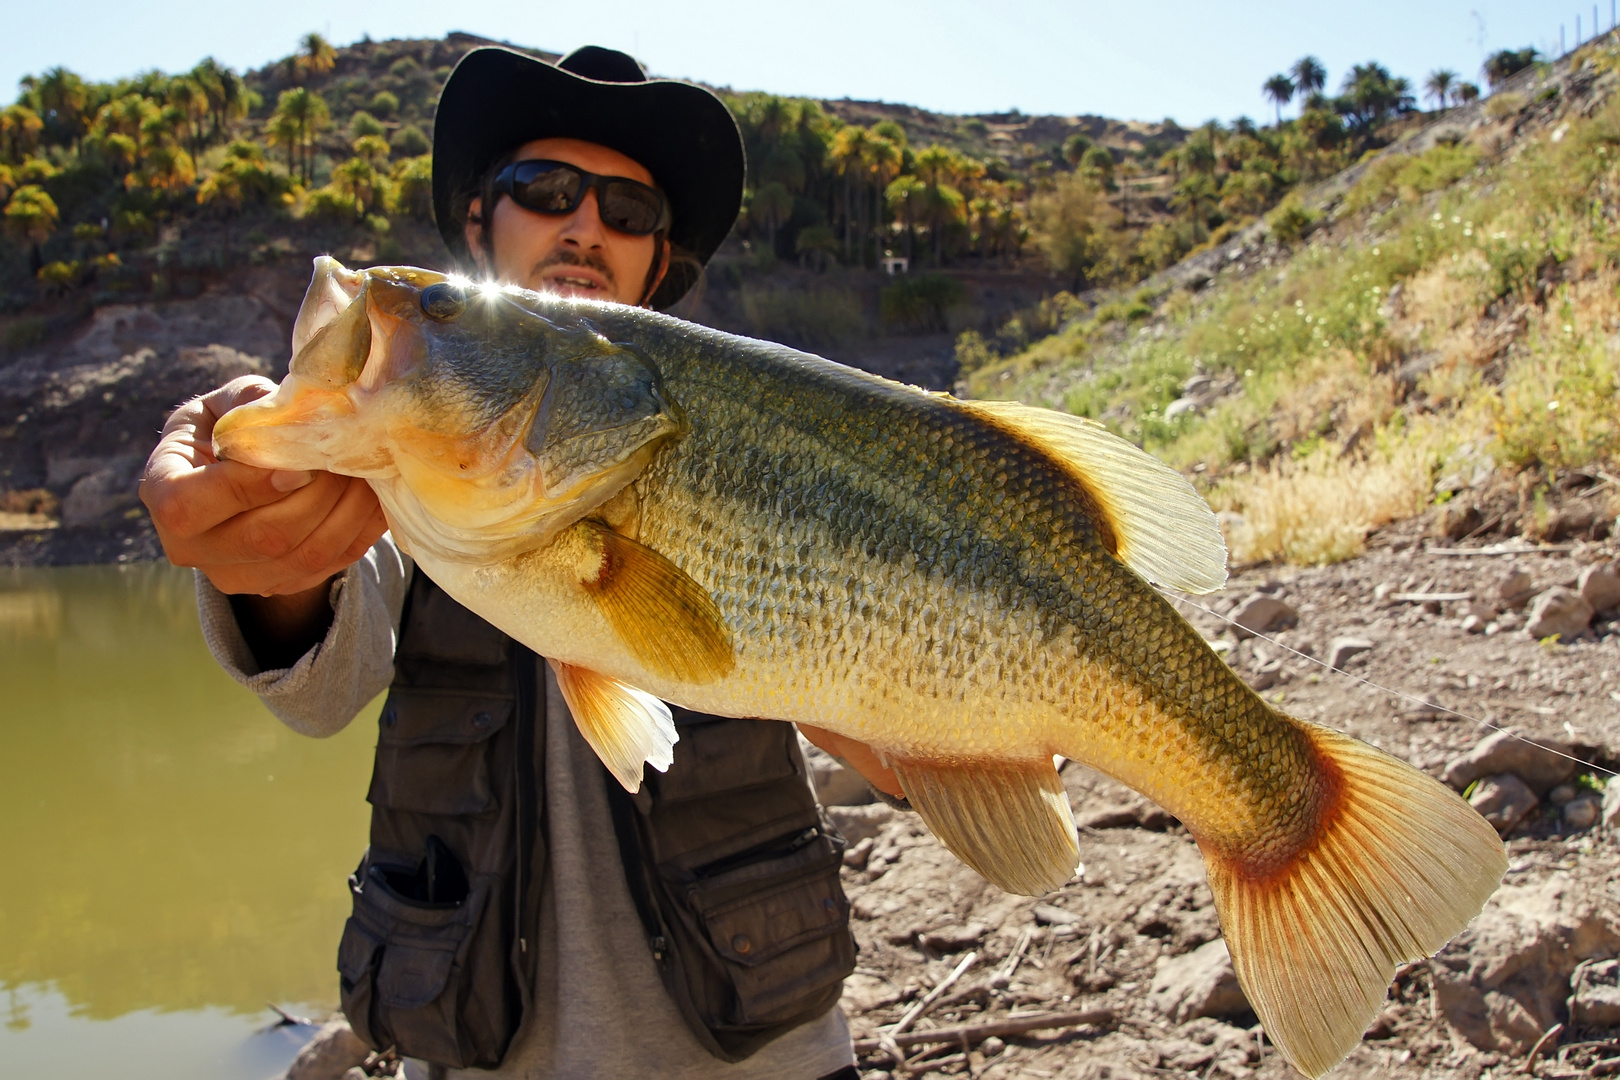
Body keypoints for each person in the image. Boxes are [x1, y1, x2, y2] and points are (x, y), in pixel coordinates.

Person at [140, 45, 899, 1079]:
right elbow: (316, 683)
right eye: (545, 191)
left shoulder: (769, 448)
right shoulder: (400, 465)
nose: (586, 224)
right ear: (475, 224)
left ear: (658, 259)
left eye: (629, 210)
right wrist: (268, 553)